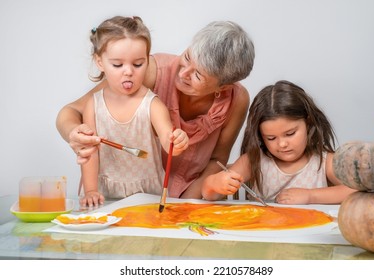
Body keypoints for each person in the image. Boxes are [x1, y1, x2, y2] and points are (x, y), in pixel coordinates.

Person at [56, 20, 255, 199]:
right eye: (187, 57)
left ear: (224, 87)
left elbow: (217, 160)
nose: (183, 73)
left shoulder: (237, 99)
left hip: (187, 192)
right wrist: (74, 133)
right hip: (135, 194)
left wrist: (186, 203)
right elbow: (70, 111)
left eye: (198, 75)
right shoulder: (149, 70)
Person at [79, 16, 188, 207]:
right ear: (99, 62)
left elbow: (167, 139)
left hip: (148, 197)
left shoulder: (152, 104)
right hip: (104, 194)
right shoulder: (93, 105)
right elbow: (89, 151)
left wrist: (176, 142)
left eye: (138, 64)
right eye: (118, 65)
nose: (128, 71)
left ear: (147, 60)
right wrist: (90, 190)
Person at [202, 80, 356, 204]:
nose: (282, 144)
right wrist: (215, 183)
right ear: (260, 136)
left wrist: (311, 196)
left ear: (308, 123)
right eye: (271, 138)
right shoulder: (253, 160)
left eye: (290, 134)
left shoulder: (323, 161)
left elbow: (355, 190)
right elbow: (209, 194)